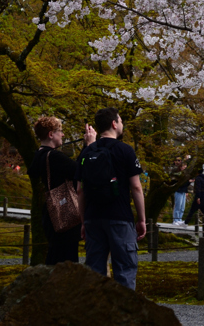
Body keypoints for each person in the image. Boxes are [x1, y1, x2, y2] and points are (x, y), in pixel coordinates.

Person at [78, 107, 146, 289]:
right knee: (124, 270)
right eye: (121, 121)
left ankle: (95, 313)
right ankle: (124, 313)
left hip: (93, 217)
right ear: (114, 124)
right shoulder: (125, 151)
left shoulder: (86, 152)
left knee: (94, 272)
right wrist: (141, 219)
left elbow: (80, 191)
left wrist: (84, 222)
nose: (122, 124)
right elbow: (136, 187)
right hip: (120, 217)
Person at [28, 116, 95, 264]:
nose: (63, 135)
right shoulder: (54, 157)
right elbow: (79, 171)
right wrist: (89, 146)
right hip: (65, 213)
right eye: (60, 131)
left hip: (51, 213)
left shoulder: (39, 155)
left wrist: (85, 146)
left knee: (55, 255)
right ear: (51, 134)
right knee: (67, 257)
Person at [171, 158, 190, 226]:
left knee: (182, 207)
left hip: (183, 191)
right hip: (178, 190)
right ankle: (175, 219)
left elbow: (186, 185)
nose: (185, 167)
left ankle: (179, 219)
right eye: (184, 166)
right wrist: (189, 182)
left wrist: (186, 191)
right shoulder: (178, 173)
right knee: (178, 206)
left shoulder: (185, 174)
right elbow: (181, 184)